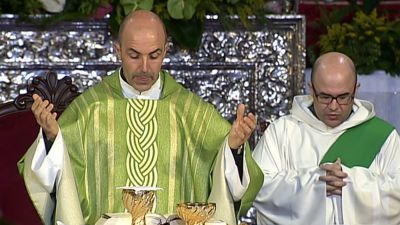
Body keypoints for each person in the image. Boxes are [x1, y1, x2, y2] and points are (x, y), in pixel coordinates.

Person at [18, 10, 263, 225]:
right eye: (134, 55)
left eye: (154, 56)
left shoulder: (192, 112)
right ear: (118, 51)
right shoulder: (89, 109)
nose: (145, 67)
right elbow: (49, 181)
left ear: (166, 51)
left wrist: (233, 149)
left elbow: (232, 183)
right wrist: (51, 139)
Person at [243, 52, 400, 224]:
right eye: (325, 97)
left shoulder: (381, 136)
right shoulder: (283, 131)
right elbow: (258, 187)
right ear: (311, 89)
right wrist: (313, 183)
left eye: (343, 97)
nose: (333, 106)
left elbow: (396, 194)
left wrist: (351, 182)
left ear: (356, 89)